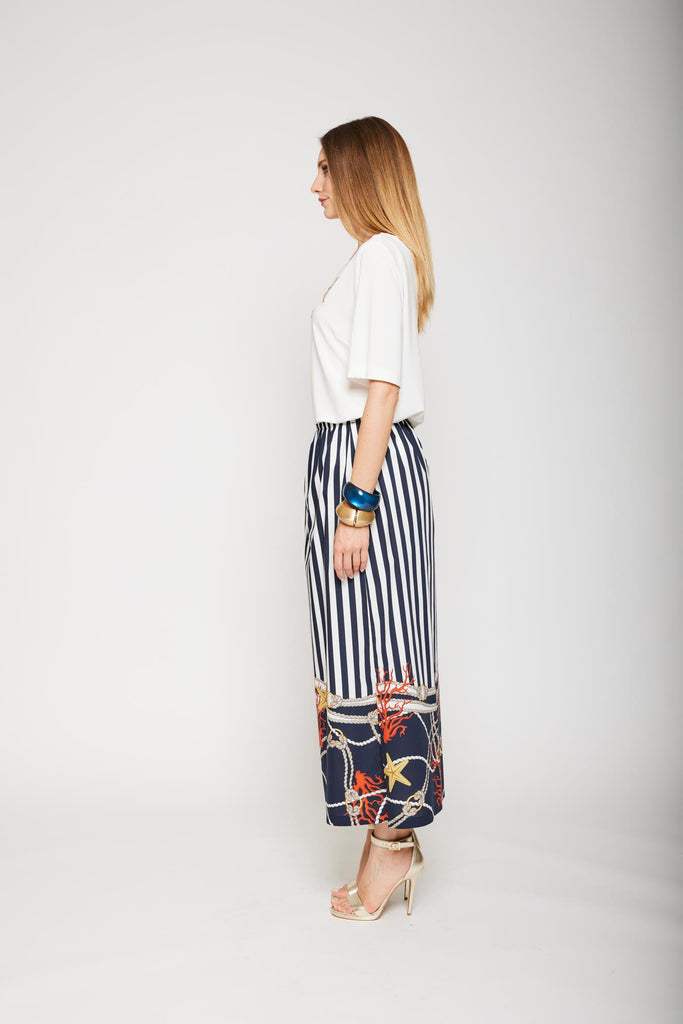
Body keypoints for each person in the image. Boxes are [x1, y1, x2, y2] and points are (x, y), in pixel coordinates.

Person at [305, 116, 445, 921]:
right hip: (348, 459)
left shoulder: (384, 254)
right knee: (354, 654)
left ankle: (392, 844)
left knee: (382, 655)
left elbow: (382, 390)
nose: (314, 184)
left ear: (359, 172)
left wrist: (356, 504)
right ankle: (386, 837)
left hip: (368, 468)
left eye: (326, 168)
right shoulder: (369, 259)